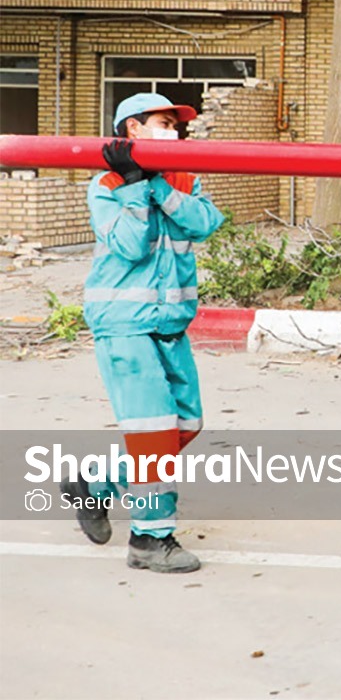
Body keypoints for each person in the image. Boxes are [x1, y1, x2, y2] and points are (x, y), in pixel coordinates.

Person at [58, 93, 225, 573]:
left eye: (176, 124)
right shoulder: (106, 184)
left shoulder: (183, 178)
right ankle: (151, 538)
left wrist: (156, 185)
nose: (174, 130)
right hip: (123, 323)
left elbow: (206, 222)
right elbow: (129, 246)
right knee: (154, 434)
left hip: (170, 324)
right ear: (133, 129)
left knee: (186, 424)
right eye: (163, 122)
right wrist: (134, 185)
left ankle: (96, 483)